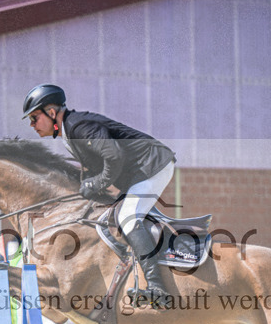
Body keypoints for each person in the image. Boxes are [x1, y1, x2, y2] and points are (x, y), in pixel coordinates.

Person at [22, 83, 176, 309]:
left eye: (35, 117)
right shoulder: (69, 133)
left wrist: (96, 183)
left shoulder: (78, 126)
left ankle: (157, 286)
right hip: (139, 172)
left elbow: (113, 157)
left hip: (152, 165)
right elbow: (94, 167)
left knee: (127, 218)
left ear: (52, 113)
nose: (32, 124)